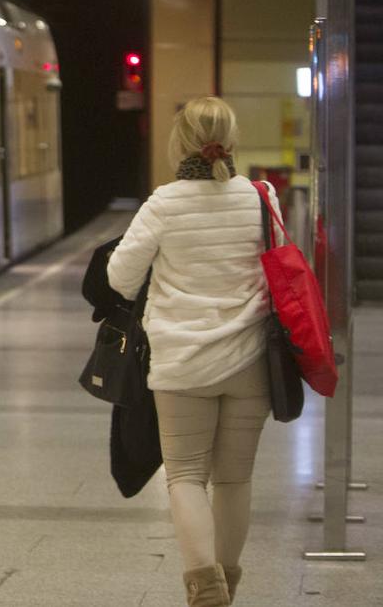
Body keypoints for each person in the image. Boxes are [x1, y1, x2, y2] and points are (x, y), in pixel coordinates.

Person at [107, 97, 277, 607]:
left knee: (185, 476)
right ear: (231, 138)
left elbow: (120, 278)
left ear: (179, 142)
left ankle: (206, 591)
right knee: (235, 478)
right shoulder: (260, 197)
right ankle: (228, 581)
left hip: (182, 365)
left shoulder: (163, 203)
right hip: (250, 361)